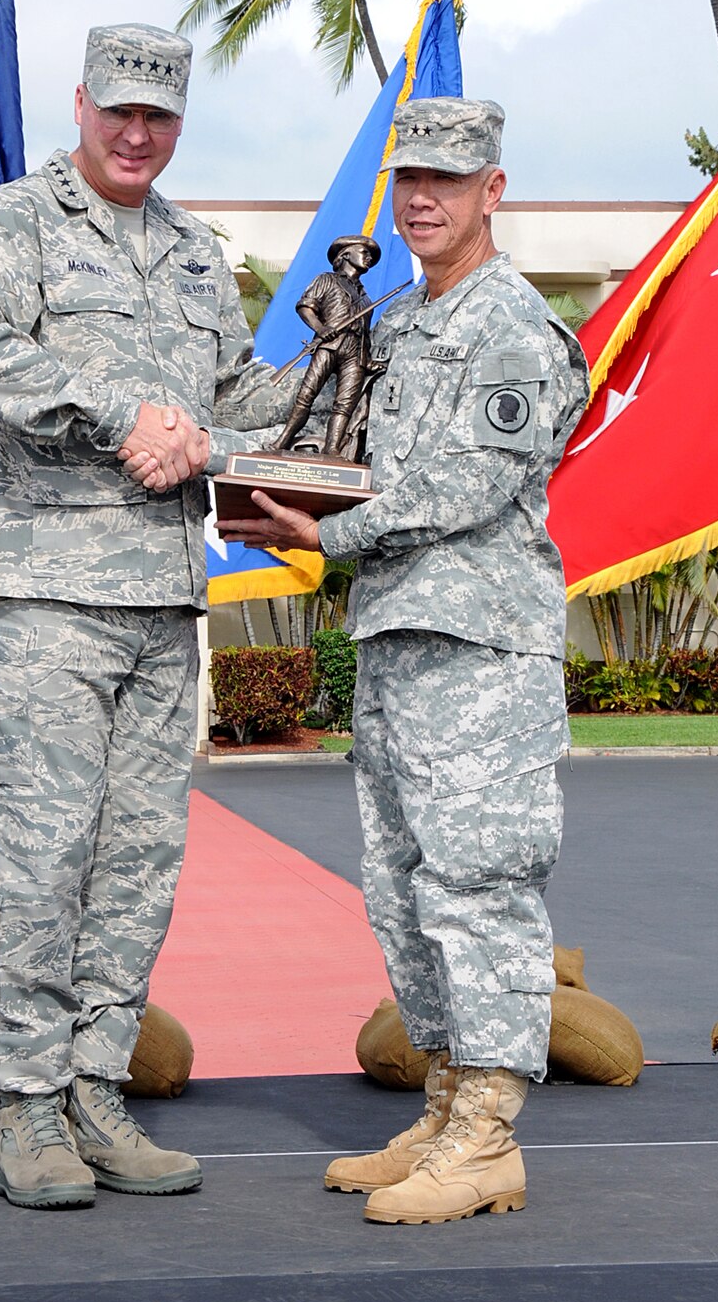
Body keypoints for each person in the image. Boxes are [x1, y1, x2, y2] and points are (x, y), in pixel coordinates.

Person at [0, 23, 293, 1211]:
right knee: (36, 859)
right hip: (38, 597)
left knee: (136, 863)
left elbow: (233, 400)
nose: (137, 134)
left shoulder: (194, 252)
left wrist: (334, 368)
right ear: (79, 104)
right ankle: (27, 1107)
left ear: (179, 123)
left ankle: (94, 1090)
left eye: (160, 117)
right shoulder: (19, 222)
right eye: (118, 110)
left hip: (159, 597)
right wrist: (118, 406)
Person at [218, 96, 590, 1226]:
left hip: (481, 648)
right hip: (395, 638)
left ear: (493, 190)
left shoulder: (514, 330)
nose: (421, 198)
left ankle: (486, 1135)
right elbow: (305, 419)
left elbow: (462, 487)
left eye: (446, 178)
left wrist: (321, 532)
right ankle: (442, 1099)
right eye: (409, 180)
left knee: (478, 880)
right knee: (401, 887)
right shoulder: (398, 321)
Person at [274, 233, 382, 460]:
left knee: (345, 405)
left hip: (355, 352)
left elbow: (365, 332)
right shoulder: (326, 280)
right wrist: (320, 328)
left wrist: (368, 358)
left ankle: (332, 449)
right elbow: (305, 307)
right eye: (364, 253)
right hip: (329, 345)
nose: (368, 258)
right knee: (306, 396)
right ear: (345, 255)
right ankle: (281, 441)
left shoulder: (366, 298)